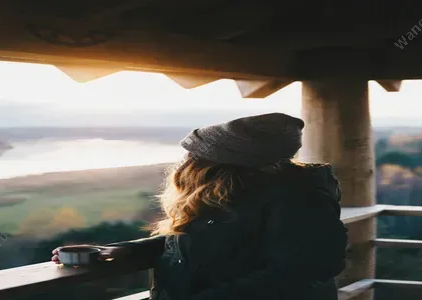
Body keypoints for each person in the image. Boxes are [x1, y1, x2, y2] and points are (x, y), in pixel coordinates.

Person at [52, 113, 348, 300]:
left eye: (195, 153)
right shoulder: (234, 192)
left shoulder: (299, 199)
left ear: (220, 162)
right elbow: (203, 240)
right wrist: (128, 249)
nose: (185, 160)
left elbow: (302, 271)